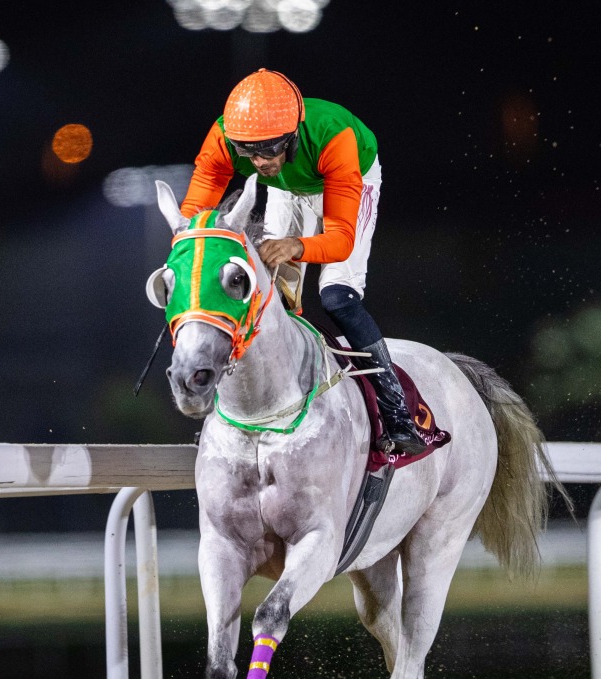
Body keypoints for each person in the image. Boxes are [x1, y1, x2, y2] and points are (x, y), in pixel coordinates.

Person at [179, 68, 427, 456]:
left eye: (271, 149)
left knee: (337, 297)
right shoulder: (225, 138)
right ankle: (239, 413)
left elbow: (341, 241)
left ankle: (397, 412)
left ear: (292, 136)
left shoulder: (335, 138)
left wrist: (297, 245)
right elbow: (193, 217)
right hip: (288, 188)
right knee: (272, 293)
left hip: (347, 181)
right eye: (249, 153)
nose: (260, 162)